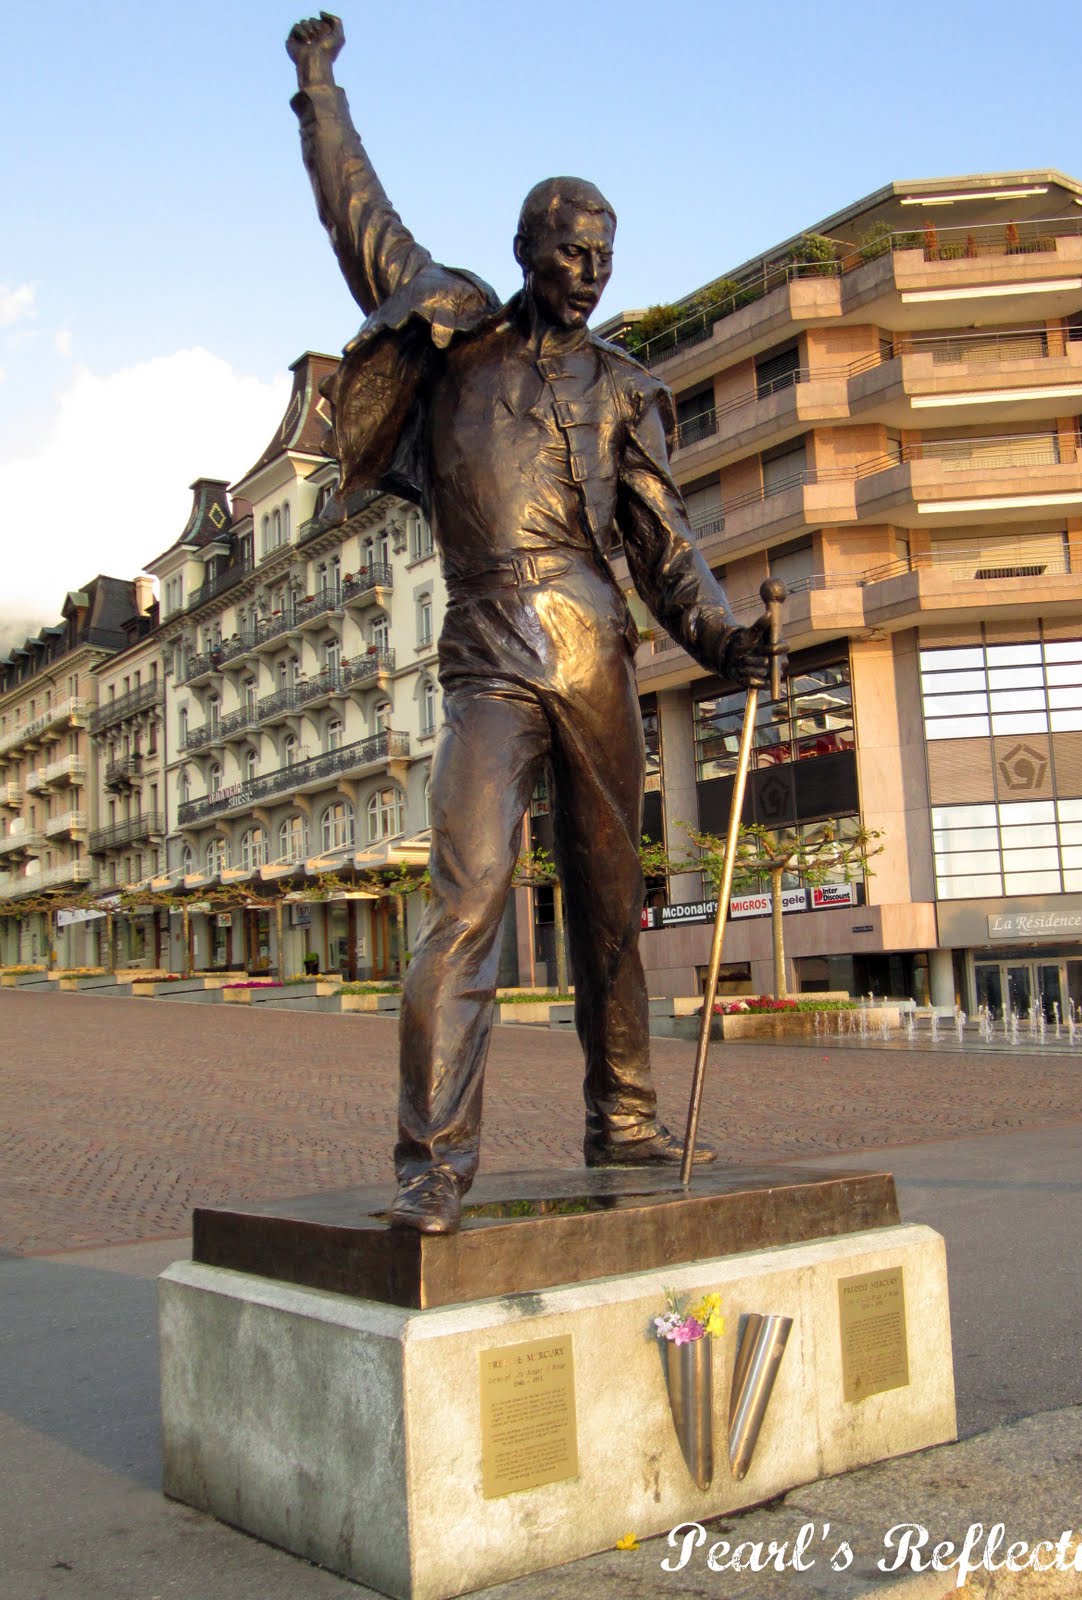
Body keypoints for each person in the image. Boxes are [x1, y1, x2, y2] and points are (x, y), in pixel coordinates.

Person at [287, 13, 775, 1233]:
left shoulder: (624, 386)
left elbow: (663, 541)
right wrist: (318, 90)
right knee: (470, 901)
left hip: (597, 650)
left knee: (614, 897)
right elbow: (359, 215)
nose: (593, 269)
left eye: (604, 251)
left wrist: (721, 640)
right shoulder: (457, 338)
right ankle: (433, 1167)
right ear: (526, 249)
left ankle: (624, 1118)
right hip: (491, 652)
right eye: (571, 249)